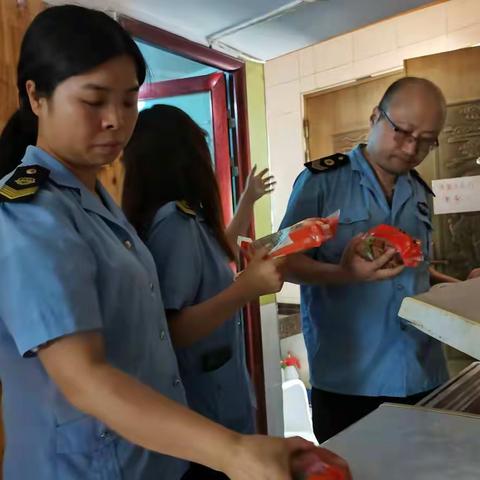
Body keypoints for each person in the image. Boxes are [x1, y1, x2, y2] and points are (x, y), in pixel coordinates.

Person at [0, 5, 351, 480]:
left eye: (128, 102)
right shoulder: (30, 212)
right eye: (93, 101)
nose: (115, 121)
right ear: (36, 97)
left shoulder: (96, 202)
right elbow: (83, 380)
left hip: (149, 460)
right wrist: (231, 452)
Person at [280, 77, 452, 443]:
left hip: (424, 374)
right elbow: (283, 264)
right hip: (352, 384)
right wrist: (343, 273)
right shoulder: (321, 182)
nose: (410, 148)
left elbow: (416, 271)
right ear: (375, 116)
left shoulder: (419, 190)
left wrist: (464, 289)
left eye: (426, 140)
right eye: (402, 132)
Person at [122, 104, 282, 480]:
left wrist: (247, 203)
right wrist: (247, 289)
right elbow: (170, 330)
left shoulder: (185, 218)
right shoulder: (173, 223)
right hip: (202, 418)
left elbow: (215, 254)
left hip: (216, 410)